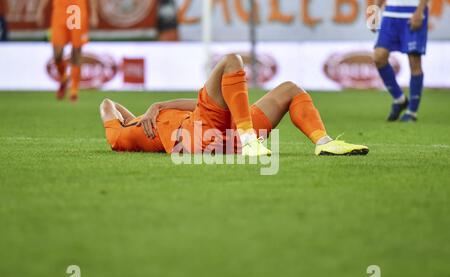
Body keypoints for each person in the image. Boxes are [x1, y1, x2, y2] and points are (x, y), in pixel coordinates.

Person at [100, 54, 369, 156]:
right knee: (231, 61)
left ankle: (324, 142)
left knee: (290, 89)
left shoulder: (148, 120)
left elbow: (196, 103)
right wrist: (134, 116)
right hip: (200, 136)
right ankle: (250, 139)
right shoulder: (126, 135)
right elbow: (107, 104)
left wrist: (156, 106)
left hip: (226, 129)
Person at [372, 0, 429, 122]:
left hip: (413, 12)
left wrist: (420, 11)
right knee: (378, 57)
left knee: (414, 61)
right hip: (390, 13)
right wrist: (374, 12)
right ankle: (400, 99)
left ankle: (412, 111)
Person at [36, 0, 99, 102]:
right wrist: (40, 10)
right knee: (57, 54)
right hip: (60, 12)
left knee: (76, 51)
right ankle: (64, 78)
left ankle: (74, 89)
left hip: (77, 10)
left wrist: (94, 13)